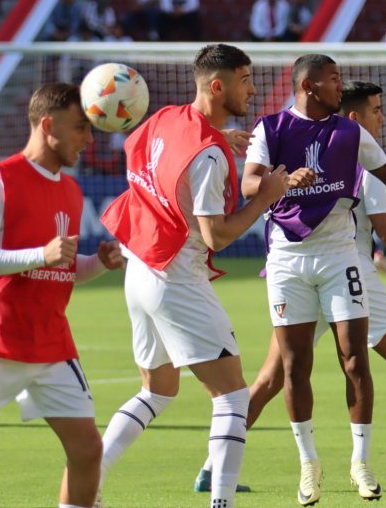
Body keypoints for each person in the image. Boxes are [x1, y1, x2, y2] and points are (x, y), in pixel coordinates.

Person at [94, 44, 291, 508]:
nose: (254, 88)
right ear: (218, 86)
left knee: (158, 390)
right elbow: (217, 235)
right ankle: (221, 503)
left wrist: (222, 141)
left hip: (140, 268)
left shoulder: (165, 118)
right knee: (232, 397)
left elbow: (148, 157)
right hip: (175, 278)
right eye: (245, 79)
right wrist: (266, 196)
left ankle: (88, 478)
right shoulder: (208, 156)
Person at [0, 83, 123, 508]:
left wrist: (97, 262)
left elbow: (59, 271)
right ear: (48, 125)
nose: (89, 140)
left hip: (51, 342)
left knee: (87, 449)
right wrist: (41, 253)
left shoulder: (70, 188)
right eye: (81, 129)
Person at [243, 55, 386, 502]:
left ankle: (361, 464)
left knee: (353, 359)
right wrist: (281, 181)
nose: (340, 87)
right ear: (308, 85)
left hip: (340, 257)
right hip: (286, 259)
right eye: (333, 80)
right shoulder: (270, 129)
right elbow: (249, 184)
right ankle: (309, 465)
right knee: (293, 366)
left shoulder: (350, 131)